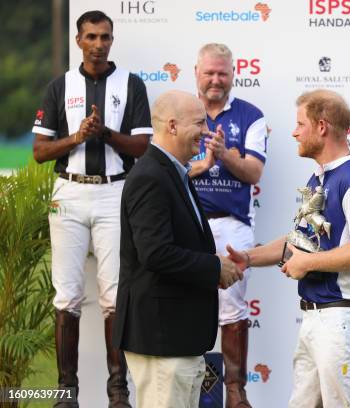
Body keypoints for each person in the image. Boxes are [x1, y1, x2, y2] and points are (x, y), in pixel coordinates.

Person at [227, 89, 350, 407]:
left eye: (300, 124)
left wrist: (309, 264)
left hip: (340, 321)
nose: (295, 131)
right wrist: (247, 258)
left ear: (322, 127)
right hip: (315, 320)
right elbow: (297, 243)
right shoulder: (318, 178)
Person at [31, 10, 153, 407]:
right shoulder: (59, 86)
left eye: (105, 37)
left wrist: (105, 134)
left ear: (112, 40)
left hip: (114, 193)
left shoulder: (130, 85)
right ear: (79, 41)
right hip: (69, 192)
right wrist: (77, 137)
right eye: (91, 37)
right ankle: (67, 394)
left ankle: (118, 393)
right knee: (66, 296)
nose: (99, 44)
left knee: (114, 296)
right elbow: (39, 152)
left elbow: (142, 147)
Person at [112, 90, 244, 408]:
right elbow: (155, 253)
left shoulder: (173, 172)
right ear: (172, 126)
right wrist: (214, 268)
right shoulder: (151, 176)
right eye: (199, 123)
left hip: (178, 339)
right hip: (161, 341)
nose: (206, 131)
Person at [189, 43, 268, 408]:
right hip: (188, 223)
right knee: (183, 304)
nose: (216, 80)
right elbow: (166, 169)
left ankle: (235, 392)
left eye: (222, 72)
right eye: (209, 73)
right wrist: (202, 166)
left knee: (233, 310)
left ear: (234, 74)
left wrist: (223, 155)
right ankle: (189, 387)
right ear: (197, 74)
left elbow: (253, 171)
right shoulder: (183, 112)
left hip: (232, 225)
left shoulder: (250, 115)